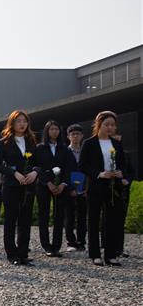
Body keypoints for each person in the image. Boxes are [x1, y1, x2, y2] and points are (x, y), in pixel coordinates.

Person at [79, 110, 128, 266]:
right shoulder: (89, 143)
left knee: (112, 221)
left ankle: (111, 255)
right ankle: (95, 254)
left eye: (113, 125)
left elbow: (124, 164)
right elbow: (82, 165)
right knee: (93, 220)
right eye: (107, 124)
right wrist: (99, 174)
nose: (110, 127)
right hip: (96, 185)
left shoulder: (117, 144)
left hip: (113, 186)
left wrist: (121, 172)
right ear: (99, 124)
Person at [0, 110, 39, 265]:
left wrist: (35, 172)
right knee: (11, 220)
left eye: (24, 121)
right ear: (12, 123)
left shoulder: (31, 141)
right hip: (11, 186)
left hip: (28, 185)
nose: (22, 124)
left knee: (25, 220)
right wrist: (14, 173)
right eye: (19, 121)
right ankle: (12, 254)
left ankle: (23, 253)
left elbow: (38, 163)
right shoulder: (4, 142)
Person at [34, 120, 72, 257]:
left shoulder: (65, 149)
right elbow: (37, 167)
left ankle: (56, 246)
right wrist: (48, 183)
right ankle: (46, 246)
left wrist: (63, 184)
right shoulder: (39, 148)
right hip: (44, 185)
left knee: (59, 215)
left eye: (56, 129)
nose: (54, 132)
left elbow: (69, 168)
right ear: (46, 131)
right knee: (43, 215)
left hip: (61, 186)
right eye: (51, 129)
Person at [64, 124, 86, 251]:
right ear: (68, 136)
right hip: (69, 188)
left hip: (83, 188)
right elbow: (64, 172)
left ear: (82, 136)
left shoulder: (85, 151)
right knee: (69, 215)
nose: (75, 136)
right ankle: (71, 242)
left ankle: (81, 241)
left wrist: (87, 188)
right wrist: (70, 188)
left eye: (78, 134)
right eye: (73, 134)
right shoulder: (65, 152)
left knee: (82, 215)